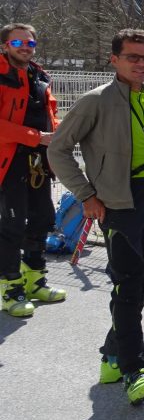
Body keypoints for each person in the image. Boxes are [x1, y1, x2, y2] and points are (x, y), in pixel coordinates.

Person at [48, 29, 144, 405]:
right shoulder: (96, 101)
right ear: (114, 59)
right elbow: (58, 150)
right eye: (133, 57)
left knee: (140, 283)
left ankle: (112, 358)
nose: (142, 64)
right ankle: (133, 369)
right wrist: (86, 195)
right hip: (116, 203)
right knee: (127, 285)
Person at [0, 23, 66, 318]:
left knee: (41, 219)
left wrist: (62, 132)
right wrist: (35, 137)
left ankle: (34, 280)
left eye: (30, 42)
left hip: (39, 161)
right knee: (11, 227)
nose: (25, 47)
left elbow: (49, 117)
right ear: (5, 46)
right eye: (17, 43)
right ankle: (10, 289)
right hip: (8, 162)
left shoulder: (40, 76)